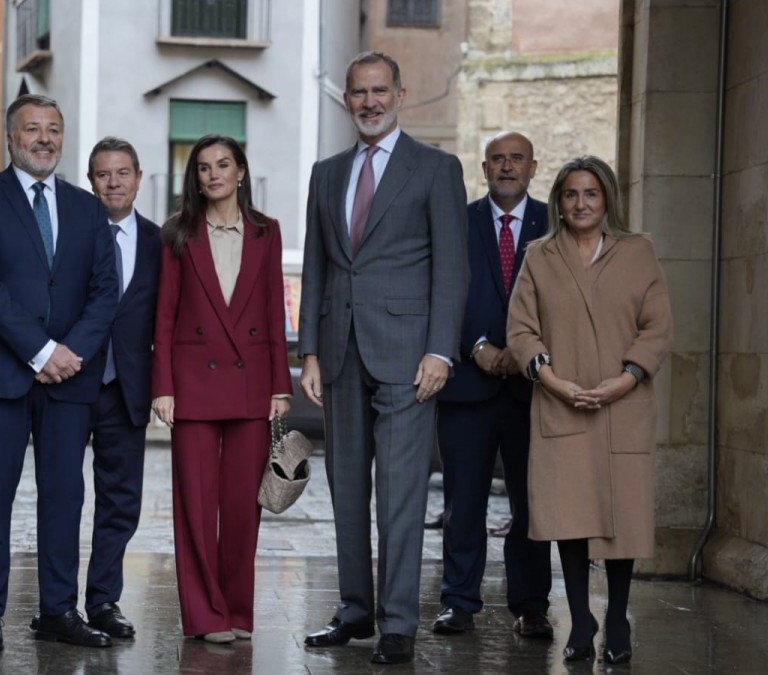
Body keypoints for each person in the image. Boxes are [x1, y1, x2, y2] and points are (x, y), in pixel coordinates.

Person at [298, 51, 468, 665]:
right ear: (346, 99)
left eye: (379, 90)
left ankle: (398, 622)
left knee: (400, 494)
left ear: (400, 94)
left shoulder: (435, 168)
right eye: (357, 92)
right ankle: (355, 609)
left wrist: (441, 350)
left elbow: (453, 267)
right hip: (339, 353)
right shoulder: (326, 172)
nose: (368, 101)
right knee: (346, 488)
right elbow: (317, 265)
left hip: (409, 358)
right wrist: (309, 350)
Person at [0, 94, 119, 651]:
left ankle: (57, 611)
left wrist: (68, 353)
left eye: (53, 129)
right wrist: (40, 350)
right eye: (32, 129)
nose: (44, 138)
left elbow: (105, 291)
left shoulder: (87, 207)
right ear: (10, 137)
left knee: (64, 498)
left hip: (71, 379)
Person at [507, 155, 672, 665]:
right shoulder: (539, 255)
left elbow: (658, 327)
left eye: (591, 194)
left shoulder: (638, 253)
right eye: (571, 194)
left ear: (607, 201)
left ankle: (617, 615)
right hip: (562, 406)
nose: (581, 203)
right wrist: (553, 381)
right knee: (570, 518)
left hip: (623, 407)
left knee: (620, 519)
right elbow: (521, 329)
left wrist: (624, 380)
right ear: (559, 200)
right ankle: (581, 619)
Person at [151, 134, 292, 644]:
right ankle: (204, 617)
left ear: (241, 172)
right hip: (191, 386)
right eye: (204, 167)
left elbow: (275, 311)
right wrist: (162, 386)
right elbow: (163, 317)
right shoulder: (177, 233)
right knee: (195, 505)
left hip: (253, 385)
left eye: (223, 164)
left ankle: (236, 612)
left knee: (240, 509)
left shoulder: (266, 232)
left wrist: (281, 386)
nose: (213, 174)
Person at [432, 131, 554, 639]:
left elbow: (568, 301)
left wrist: (524, 352)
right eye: (498, 160)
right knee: (464, 502)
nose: (507, 167)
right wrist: (476, 345)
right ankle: (459, 602)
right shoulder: (459, 222)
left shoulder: (557, 222)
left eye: (516, 159)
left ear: (532, 167)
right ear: (483, 169)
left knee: (534, 504)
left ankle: (531, 607)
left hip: (535, 389)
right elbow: (441, 288)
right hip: (467, 384)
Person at [76, 136, 162, 638]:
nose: (113, 182)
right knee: (64, 497)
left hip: (128, 388)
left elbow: (168, 320)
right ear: (91, 182)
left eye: (122, 173)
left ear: (138, 178)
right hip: (70, 382)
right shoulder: (72, 234)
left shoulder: (159, 241)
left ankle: (104, 601)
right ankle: (59, 603)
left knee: (120, 501)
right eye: (103, 174)